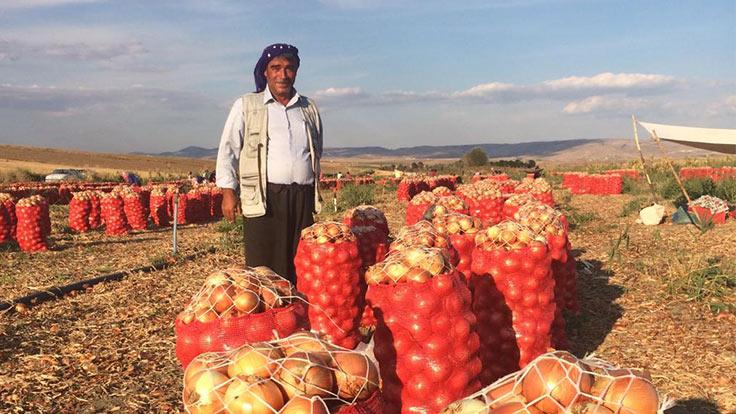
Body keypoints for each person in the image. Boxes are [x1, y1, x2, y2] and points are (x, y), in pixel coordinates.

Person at [216, 43, 323, 284]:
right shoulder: (247, 105)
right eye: (275, 68)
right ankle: (270, 317)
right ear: (265, 71)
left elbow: (317, 149)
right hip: (265, 196)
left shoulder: (308, 108)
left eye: (289, 68)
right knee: (264, 264)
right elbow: (228, 149)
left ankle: (298, 313)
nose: (282, 75)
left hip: (302, 197)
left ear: (296, 71)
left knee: (301, 260)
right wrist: (228, 192)